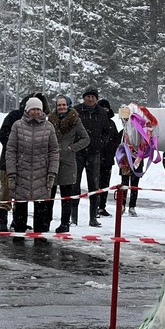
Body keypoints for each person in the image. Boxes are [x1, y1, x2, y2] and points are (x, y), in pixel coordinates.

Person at [5, 97, 59, 239]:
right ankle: (18, 240)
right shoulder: (17, 126)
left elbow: (54, 151)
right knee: (20, 211)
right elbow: (11, 150)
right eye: (33, 109)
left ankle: (39, 241)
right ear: (27, 110)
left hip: (42, 174)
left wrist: (52, 173)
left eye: (38, 109)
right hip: (21, 173)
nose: (35, 112)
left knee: (41, 211)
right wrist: (11, 173)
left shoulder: (49, 127)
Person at [47, 95, 89, 233]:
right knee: (49, 194)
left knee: (66, 195)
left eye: (64, 105)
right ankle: (46, 221)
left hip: (67, 162)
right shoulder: (50, 119)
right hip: (51, 160)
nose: (61, 107)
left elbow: (85, 139)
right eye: (59, 105)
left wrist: (71, 148)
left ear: (68, 106)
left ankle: (65, 223)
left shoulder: (75, 120)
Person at [73, 88, 114, 227]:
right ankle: (74, 218)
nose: (90, 99)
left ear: (96, 99)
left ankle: (93, 217)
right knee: (74, 186)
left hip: (94, 154)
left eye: (93, 97)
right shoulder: (76, 111)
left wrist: (101, 143)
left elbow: (107, 131)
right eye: (88, 96)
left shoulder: (102, 113)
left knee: (94, 187)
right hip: (78, 153)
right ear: (84, 98)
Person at [0, 95, 31, 231]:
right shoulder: (13, 116)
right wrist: (18, 146)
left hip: (27, 164)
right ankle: (2, 221)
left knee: (22, 193)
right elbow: (2, 135)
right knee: (6, 191)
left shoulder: (37, 120)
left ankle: (18, 221)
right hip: (8, 162)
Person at [96, 98, 121, 217]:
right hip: (95, 159)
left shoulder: (112, 124)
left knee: (105, 185)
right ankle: (94, 207)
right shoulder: (95, 122)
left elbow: (116, 140)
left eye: (106, 109)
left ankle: (102, 207)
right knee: (95, 185)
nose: (105, 111)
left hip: (108, 159)